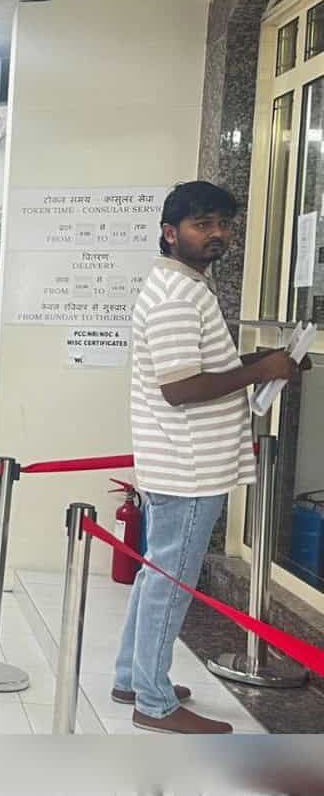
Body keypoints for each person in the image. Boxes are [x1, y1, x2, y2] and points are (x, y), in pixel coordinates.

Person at [115, 181, 303, 735]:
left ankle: (132, 675)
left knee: (158, 578)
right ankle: (152, 701)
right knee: (170, 583)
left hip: (180, 459)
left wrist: (260, 361)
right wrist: (260, 371)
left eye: (224, 223)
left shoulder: (184, 284)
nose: (218, 234)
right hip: (188, 465)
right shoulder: (177, 296)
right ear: (171, 233)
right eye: (203, 224)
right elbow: (181, 387)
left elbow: (198, 366)